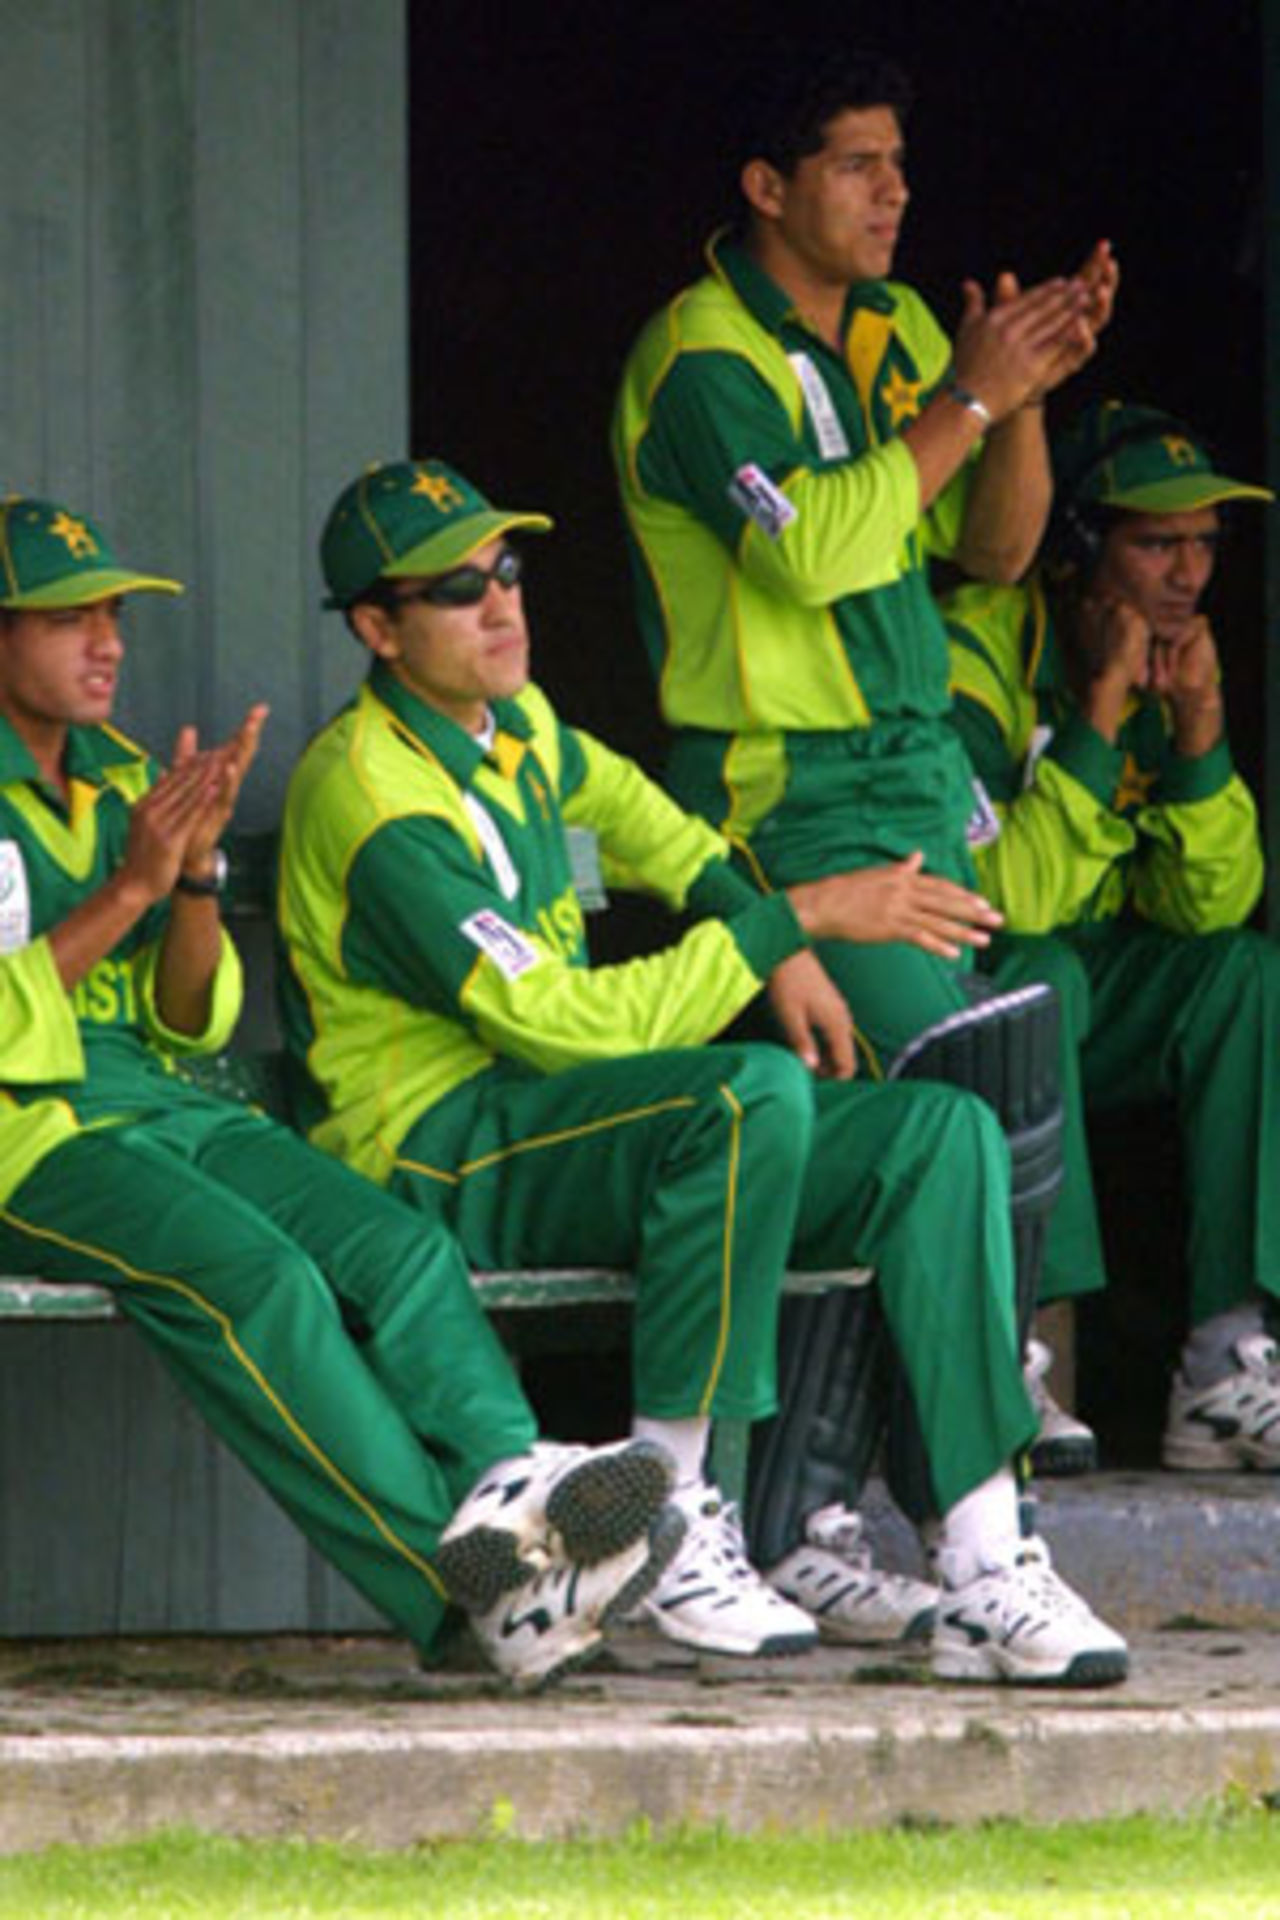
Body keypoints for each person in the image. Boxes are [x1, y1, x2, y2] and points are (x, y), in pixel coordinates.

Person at [275, 455, 1130, 1688]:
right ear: (376, 628)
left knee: (935, 1133)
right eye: (457, 589)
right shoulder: (367, 793)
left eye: (505, 570)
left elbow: (659, 832)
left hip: (544, 1123)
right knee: (739, 1094)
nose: (502, 603)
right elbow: (552, 1025)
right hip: (430, 1149)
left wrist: (763, 927)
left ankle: (989, 1560)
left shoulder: (516, 727)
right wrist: (791, 925)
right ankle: (672, 1513)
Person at [0, 491, 687, 1691]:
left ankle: (525, 1511)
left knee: (396, 1248)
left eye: (113, 613)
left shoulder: (117, 775)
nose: (107, 641)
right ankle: (462, 1601)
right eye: (68, 619)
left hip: (167, 1106)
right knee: (259, 1281)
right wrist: (127, 890)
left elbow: (180, 1016)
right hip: (36, 1136)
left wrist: (198, 875)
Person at [611, 44, 1118, 1074]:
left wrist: (1019, 397)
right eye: (855, 165)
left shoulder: (900, 326)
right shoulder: (701, 356)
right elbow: (805, 552)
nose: (894, 190)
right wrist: (967, 400)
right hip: (787, 798)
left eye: (896, 161)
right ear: (766, 187)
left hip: (915, 779)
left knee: (1034, 1022)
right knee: (964, 1071)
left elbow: (995, 549)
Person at [942, 401, 1279, 1473]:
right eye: (1153, 542)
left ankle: (1223, 1364)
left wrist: (1196, 742)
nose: (1186, 574)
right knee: (1037, 975)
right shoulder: (975, 649)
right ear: (1079, 544)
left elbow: (1207, 910)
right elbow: (1003, 907)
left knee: (1238, 972)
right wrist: (1092, 718)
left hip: (1101, 986)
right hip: (958, 992)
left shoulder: (1180, 660)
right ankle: (1032, 1360)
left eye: (1202, 546)